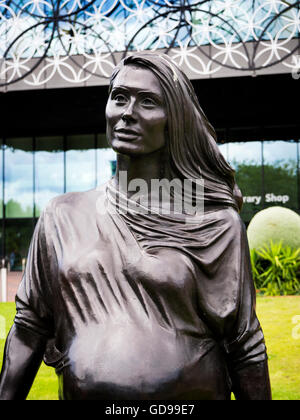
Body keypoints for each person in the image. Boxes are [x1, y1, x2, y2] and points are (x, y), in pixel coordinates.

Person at [0, 53, 271, 400]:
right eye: (119, 97)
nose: (128, 112)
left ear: (175, 119)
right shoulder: (62, 215)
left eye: (148, 102)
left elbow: (245, 345)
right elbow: (29, 327)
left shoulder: (215, 224)